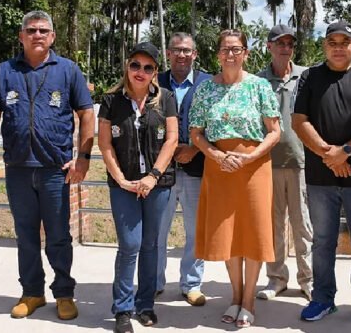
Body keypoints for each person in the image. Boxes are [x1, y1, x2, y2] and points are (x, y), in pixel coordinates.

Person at [0, 10, 94, 321]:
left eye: (43, 30)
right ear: (21, 36)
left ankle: (64, 293)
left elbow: (87, 114)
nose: (37, 35)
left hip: (55, 169)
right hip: (18, 167)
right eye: (31, 30)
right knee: (25, 234)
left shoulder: (68, 70)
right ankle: (32, 292)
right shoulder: (5, 72)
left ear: (52, 36)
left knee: (58, 235)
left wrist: (83, 158)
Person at [292, 20, 351, 325]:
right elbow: (299, 121)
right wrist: (328, 155)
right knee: (322, 241)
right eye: (332, 42)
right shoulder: (310, 76)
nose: (338, 48)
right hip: (320, 178)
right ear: (324, 46)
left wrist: (344, 152)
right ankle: (322, 298)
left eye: (344, 42)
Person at [189, 29, 281, 328]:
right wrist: (216, 156)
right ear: (218, 54)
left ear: (246, 53)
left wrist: (252, 156)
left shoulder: (260, 86)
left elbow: (275, 131)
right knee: (227, 233)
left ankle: (249, 300)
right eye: (225, 49)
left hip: (254, 168)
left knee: (253, 233)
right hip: (220, 169)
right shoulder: (205, 89)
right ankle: (236, 295)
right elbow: (196, 133)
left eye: (236, 49)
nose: (230, 54)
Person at [98, 42, 179, 333]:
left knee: (150, 245)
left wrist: (153, 176)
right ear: (127, 66)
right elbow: (104, 143)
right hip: (124, 184)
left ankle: (145, 304)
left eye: (148, 67)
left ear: (155, 72)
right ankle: (122, 309)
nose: (140, 72)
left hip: (157, 184)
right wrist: (121, 179)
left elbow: (172, 139)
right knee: (129, 245)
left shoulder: (166, 98)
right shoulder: (111, 100)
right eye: (135, 65)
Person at [256, 24, 313, 301]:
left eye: (290, 43)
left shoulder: (307, 76)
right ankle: (276, 279)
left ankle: (309, 279)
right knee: (273, 226)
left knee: (303, 225)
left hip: (302, 162)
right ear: (269, 46)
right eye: (280, 43)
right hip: (267, 164)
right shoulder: (257, 81)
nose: (285, 48)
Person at [156, 32, 212, 306]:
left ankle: (191, 284)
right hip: (160, 171)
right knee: (156, 231)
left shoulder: (208, 84)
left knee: (195, 231)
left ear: (195, 54)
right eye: (176, 50)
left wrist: (195, 149)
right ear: (168, 53)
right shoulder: (155, 81)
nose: (181, 55)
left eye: (186, 50)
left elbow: (216, 123)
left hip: (196, 169)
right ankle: (154, 282)